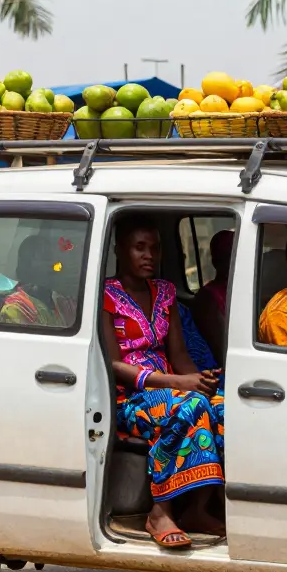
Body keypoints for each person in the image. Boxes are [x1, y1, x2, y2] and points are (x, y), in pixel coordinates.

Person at [101, 215, 225, 549]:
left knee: (223, 405)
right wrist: (178, 383)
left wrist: (199, 378)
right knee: (190, 406)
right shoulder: (106, 296)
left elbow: (179, 354)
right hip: (128, 398)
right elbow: (112, 364)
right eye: (139, 248)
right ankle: (160, 511)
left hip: (171, 386)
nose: (149, 256)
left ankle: (199, 508)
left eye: (154, 248)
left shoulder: (166, 292)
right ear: (120, 251)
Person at [0, 234, 77, 327]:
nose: (55, 266)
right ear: (27, 266)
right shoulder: (15, 308)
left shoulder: (62, 302)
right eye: (46, 258)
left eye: (53, 258)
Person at [193, 229, 233, 363]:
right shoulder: (208, 298)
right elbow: (222, 352)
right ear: (215, 261)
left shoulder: (243, 291)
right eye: (228, 257)